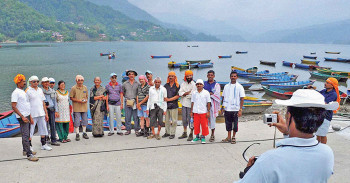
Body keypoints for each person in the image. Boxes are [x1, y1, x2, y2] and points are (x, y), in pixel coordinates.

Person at [235, 89, 338, 183]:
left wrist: (248, 172)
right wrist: (287, 132)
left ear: (289, 117)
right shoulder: (327, 153)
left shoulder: (269, 160)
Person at [11, 74, 38, 161]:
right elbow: (14, 106)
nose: (24, 83)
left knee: (27, 133)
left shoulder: (22, 91)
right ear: (18, 82)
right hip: (22, 116)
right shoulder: (15, 93)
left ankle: (25, 150)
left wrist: (29, 115)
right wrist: (22, 116)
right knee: (25, 135)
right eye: (23, 81)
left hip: (27, 115)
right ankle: (29, 155)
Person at [308, 77, 340, 144]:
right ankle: (318, 146)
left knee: (322, 134)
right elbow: (318, 95)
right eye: (326, 82)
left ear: (332, 85)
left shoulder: (333, 94)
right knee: (318, 133)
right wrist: (312, 89)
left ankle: (323, 147)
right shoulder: (324, 91)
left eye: (327, 83)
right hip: (319, 114)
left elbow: (324, 103)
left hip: (326, 116)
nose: (325, 83)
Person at [26, 76, 52, 151]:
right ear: (30, 82)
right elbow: (26, 104)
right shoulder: (28, 91)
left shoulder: (40, 90)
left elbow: (43, 102)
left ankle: (43, 144)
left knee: (43, 129)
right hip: (33, 114)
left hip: (41, 113)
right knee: (31, 131)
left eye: (37, 81)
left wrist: (46, 114)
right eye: (34, 81)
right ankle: (29, 146)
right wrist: (29, 116)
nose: (36, 83)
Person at [221, 71, 245, 144]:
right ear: (230, 77)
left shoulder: (240, 87)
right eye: (232, 76)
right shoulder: (226, 86)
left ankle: (233, 137)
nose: (233, 77)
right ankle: (228, 137)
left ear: (237, 77)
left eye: (235, 76)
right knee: (228, 123)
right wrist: (222, 107)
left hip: (235, 109)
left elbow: (242, 99)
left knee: (235, 124)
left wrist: (240, 109)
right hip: (227, 108)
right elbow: (223, 97)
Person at [190, 79, 211, 144]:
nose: (199, 85)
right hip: (196, 111)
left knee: (204, 125)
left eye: (200, 84)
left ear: (203, 85)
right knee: (196, 125)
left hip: (203, 112)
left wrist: (208, 111)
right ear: (196, 85)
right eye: (197, 84)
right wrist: (191, 111)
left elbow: (208, 103)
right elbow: (192, 102)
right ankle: (197, 137)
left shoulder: (206, 93)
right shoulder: (194, 93)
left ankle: (203, 137)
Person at [70, 75, 89, 141]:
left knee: (85, 120)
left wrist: (85, 100)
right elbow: (71, 98)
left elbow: (87, 96)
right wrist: (79, 101)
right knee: (77, 121)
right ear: (76, 81)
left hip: (84, 107)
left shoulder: (85, 88)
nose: (80, 81)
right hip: (76, 108)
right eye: (79, 80)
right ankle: (77, 133)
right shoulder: (73, 88)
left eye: (81, 80)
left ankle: (84, 132)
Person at [41, 77, 60, 146]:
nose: (46, 83)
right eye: (45, 82)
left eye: (47, 82)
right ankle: (45, 139)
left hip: (51, 109)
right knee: (44, 125)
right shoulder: (40, 91)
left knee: (53, 125)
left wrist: (56, 111)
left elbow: (54, 101)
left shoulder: (52, 91)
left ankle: (53, 140)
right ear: (42, 83)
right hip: (43, 110)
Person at [178, 70, 196, 140]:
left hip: (190, 104)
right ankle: (185, 132)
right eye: (187, 76)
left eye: (190, 76)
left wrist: (184, 94)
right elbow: (179, 93)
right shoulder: (183, 84)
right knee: (184, 119)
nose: (189, 77)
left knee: (191, 119)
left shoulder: (194, 84)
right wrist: (186, 93)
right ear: (185, 76)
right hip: (183, 103)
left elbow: (192, 95)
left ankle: (191, 133)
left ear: (192, 76)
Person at [203, 70, 221, 142]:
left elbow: (217, 95)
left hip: (213, 104)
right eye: (209, 75)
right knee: (204, 119)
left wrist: (210, 94)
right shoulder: (204, 84)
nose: (210, 76)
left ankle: (212, 134)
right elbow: (202, 93)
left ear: (214, 76)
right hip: (204, 104)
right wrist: (209, 94)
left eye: (211, 75)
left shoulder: (216, 85)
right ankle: (203, 134)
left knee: (212, 120)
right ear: (207, 76)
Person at [121, 70, 140, 135]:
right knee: (127, 116)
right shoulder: (125, 84)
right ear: (128, 75)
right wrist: (127, 98)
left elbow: (138, 93)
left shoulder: (137, 84)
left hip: (135, 102)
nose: (131, 75)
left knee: (136, 116)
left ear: (135, 76)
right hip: (127, 101)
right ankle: (128, 130)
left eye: (133, 74)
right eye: (130, 74)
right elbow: (123, 92)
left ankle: (136, 130)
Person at [163, 71, 180, 139]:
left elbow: (178, 95)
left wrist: (169, 99)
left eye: (172, 76)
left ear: (174, 77)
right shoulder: (165, 85)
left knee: (174, 120)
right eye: (170, 76)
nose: (171, 77)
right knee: (167, 120)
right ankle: (167, 132)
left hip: (174, 105)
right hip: (166, 106)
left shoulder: (177, 85)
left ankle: (172, 133)